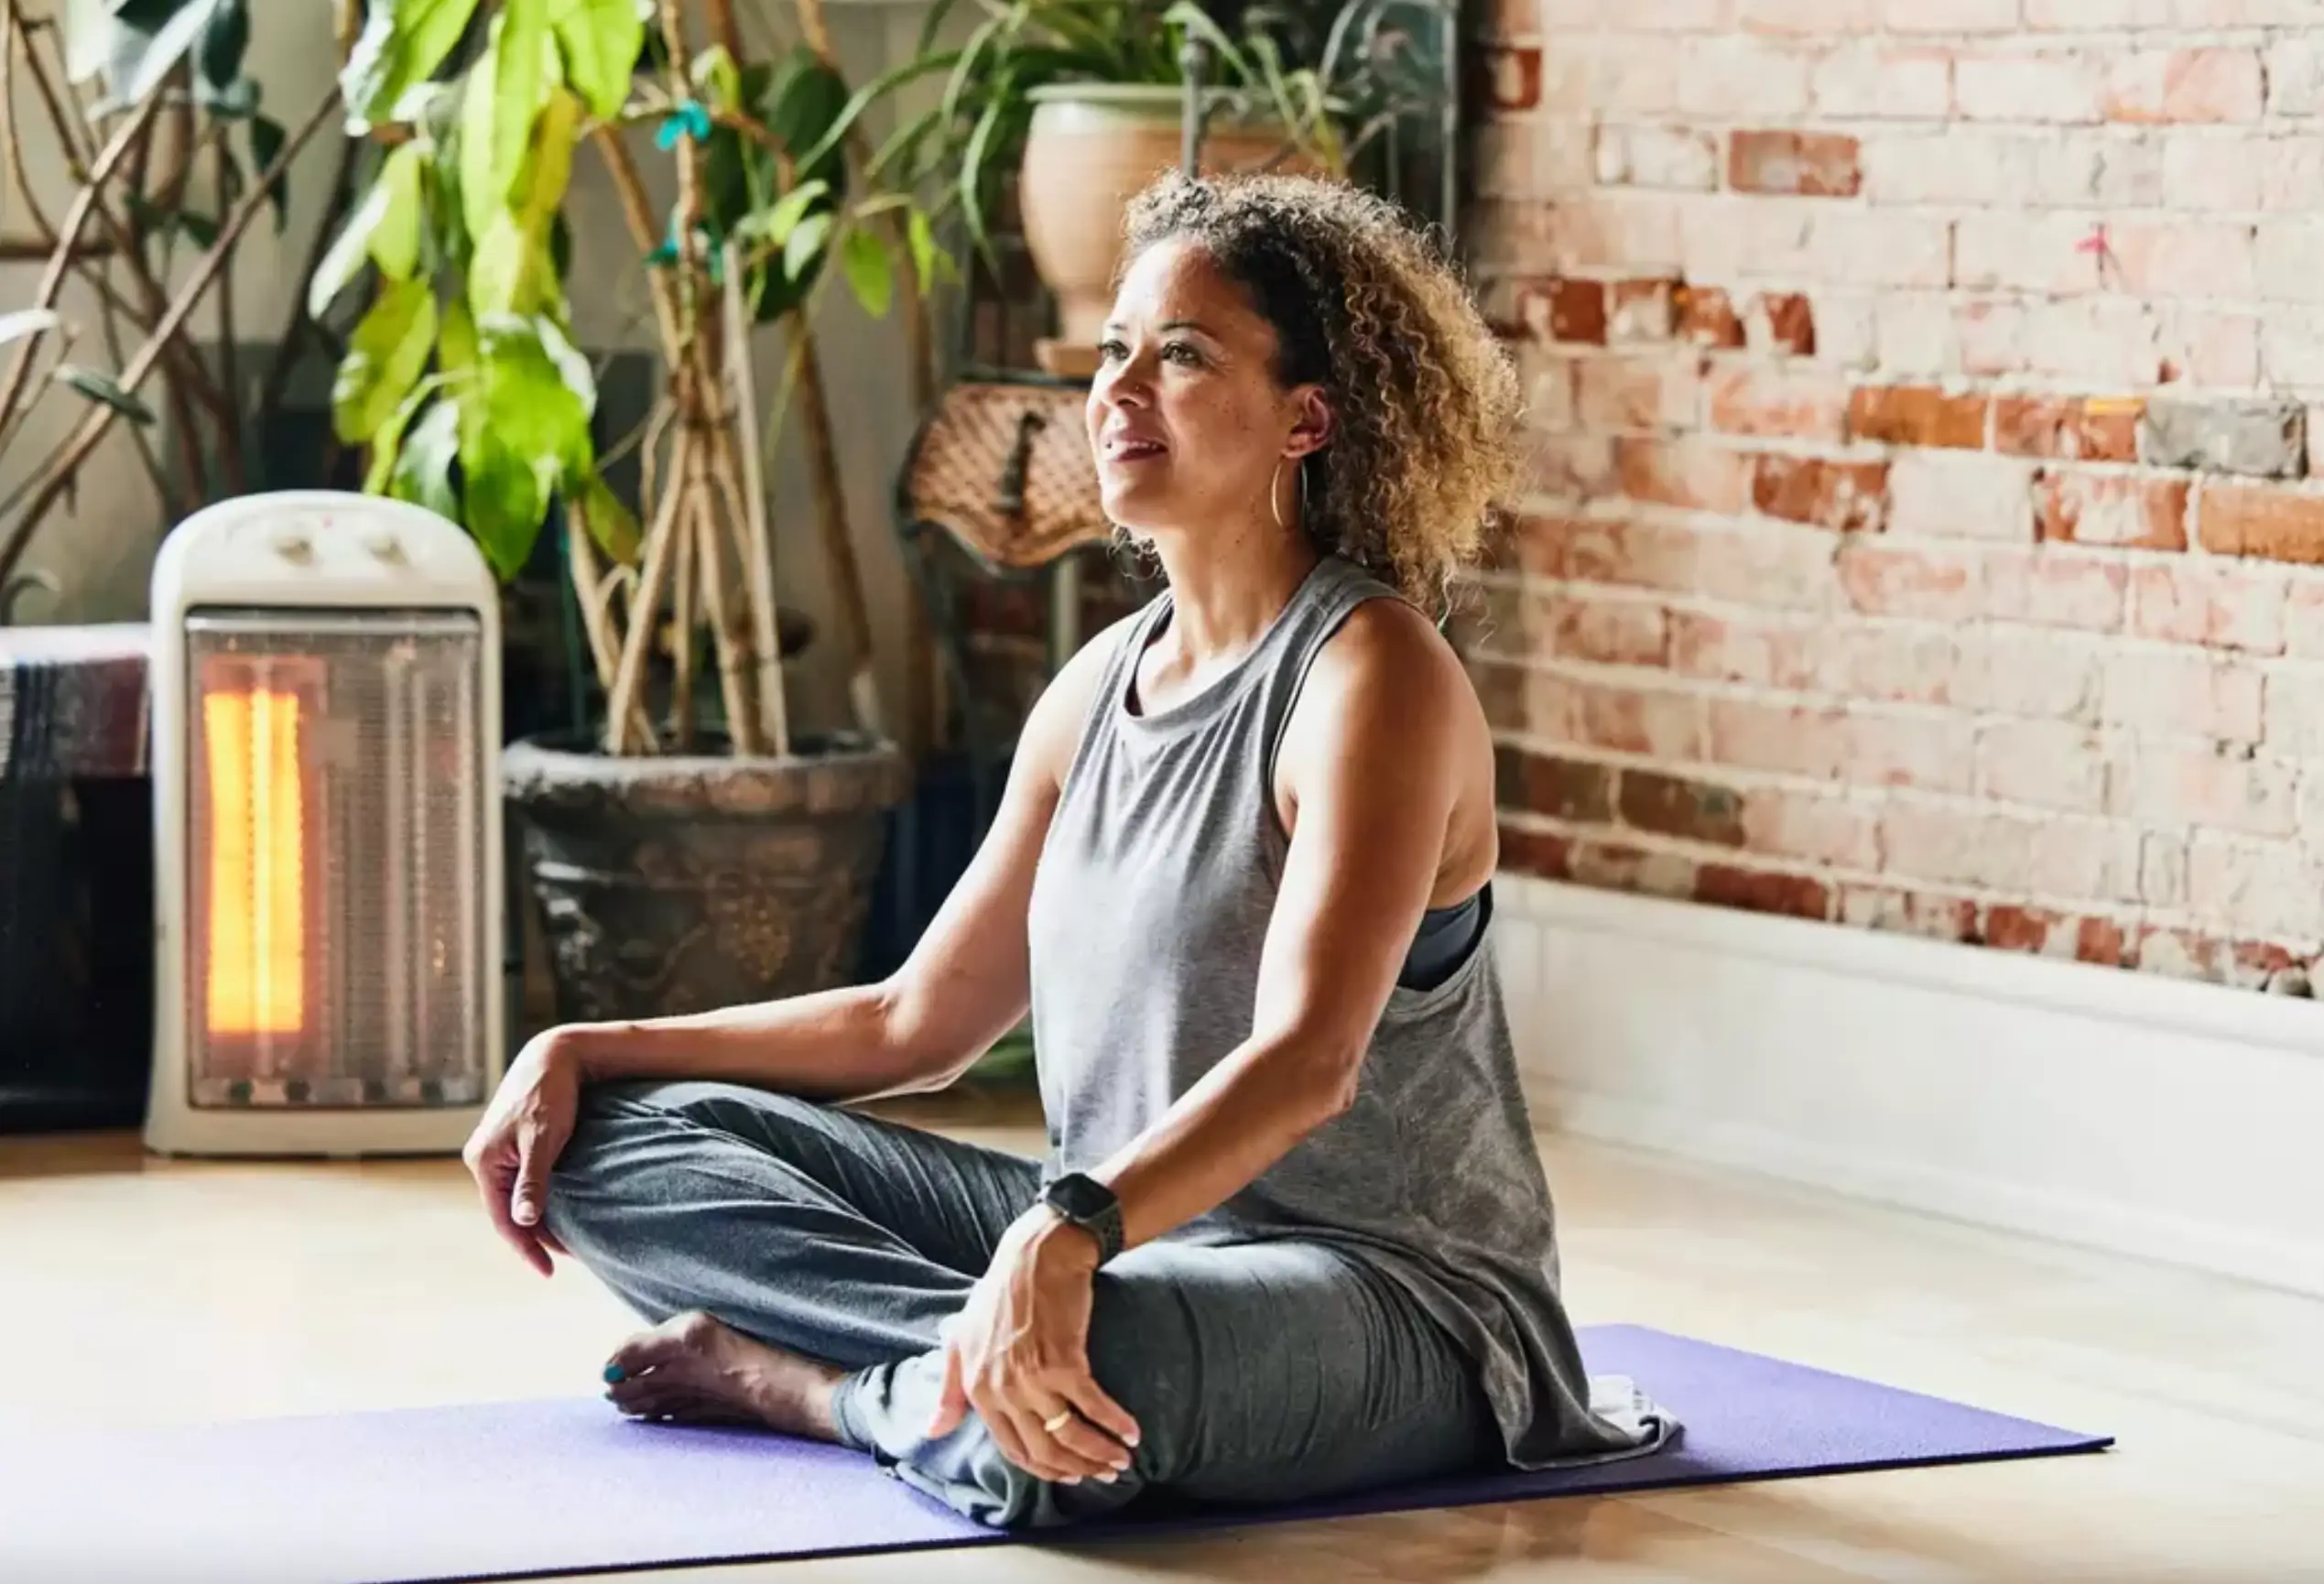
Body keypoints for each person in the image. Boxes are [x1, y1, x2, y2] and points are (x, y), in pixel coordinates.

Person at [462, 170, 1674, 1530]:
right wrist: (587, 1047)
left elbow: (1310, 1061)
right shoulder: (1097, 686)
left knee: (1107, 1366)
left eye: (1183, 355)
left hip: (1390, 1299)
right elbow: (912, 1023)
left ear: (1306, 419)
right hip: (1112, 1237)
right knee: (604, 1147)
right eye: (1111, 352)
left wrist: (1071, 1229)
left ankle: (822, 1387)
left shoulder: (1370, 674)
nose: (1116, 391)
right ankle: (981, 1370)